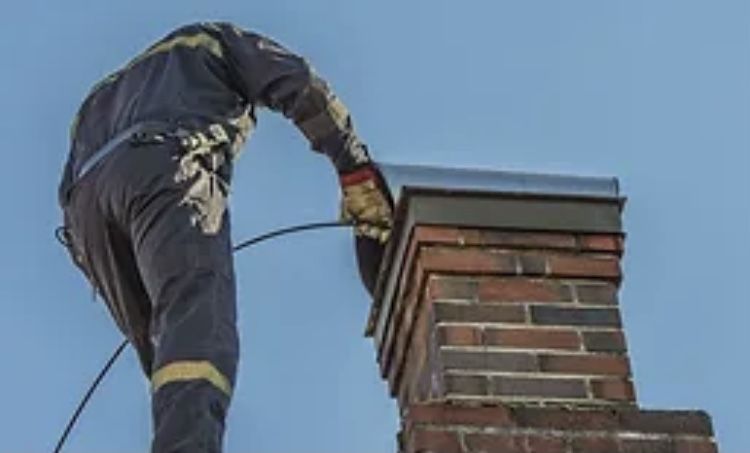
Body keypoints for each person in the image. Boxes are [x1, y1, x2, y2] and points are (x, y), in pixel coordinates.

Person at [58, 22, 393, 453]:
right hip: (164, 165)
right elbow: (297, 80)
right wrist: (353, 165)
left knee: (168, 349)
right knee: (197, 322)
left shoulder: (99, 98)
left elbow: (69, 188)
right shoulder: (215, 42)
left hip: (86, 217)